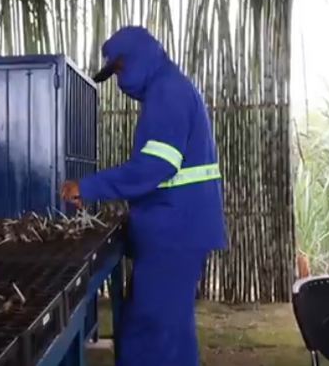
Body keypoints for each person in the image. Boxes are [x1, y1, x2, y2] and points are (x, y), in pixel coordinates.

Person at [60, 26, 226, 366]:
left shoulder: (167, 91)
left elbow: (155, 166)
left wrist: (88, 186)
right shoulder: (169, 88)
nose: (120, 82)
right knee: (169, 333)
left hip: (174, 233)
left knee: (152, 336)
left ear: (138, 57)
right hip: (179, 229)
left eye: (120, 69)